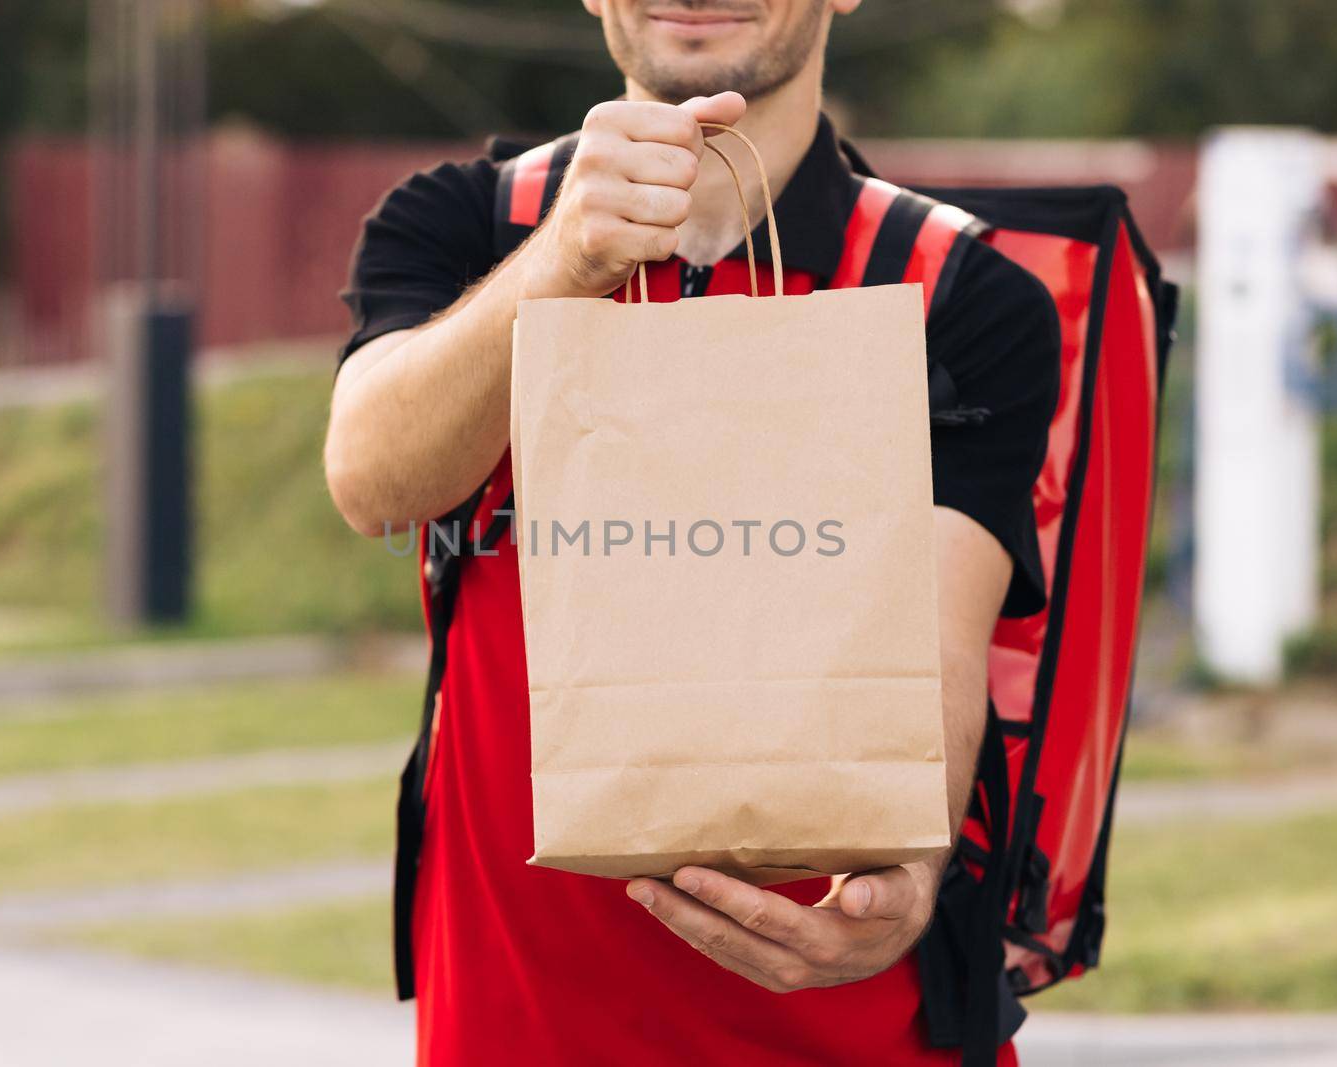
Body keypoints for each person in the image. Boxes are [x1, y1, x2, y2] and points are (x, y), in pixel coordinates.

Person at [325, 1, 1059, 1063]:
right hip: (516, 1024)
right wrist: (558, 265)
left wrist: (910, 874)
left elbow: (939, 647)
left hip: (848, 1033)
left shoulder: (957, 292)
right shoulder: (466, 226)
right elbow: (372, 481)